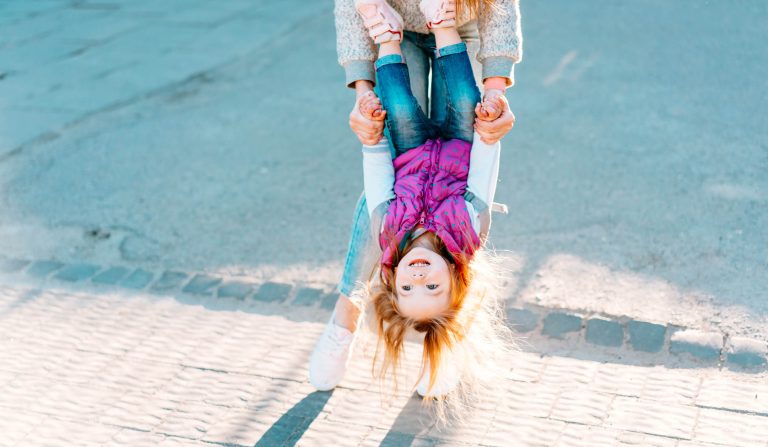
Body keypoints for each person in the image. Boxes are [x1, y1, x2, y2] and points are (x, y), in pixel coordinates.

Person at [309, 0, 516, 404]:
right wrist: (362, 86)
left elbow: (379, 185)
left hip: (466, 20)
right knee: (438, 109)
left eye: (408, 284)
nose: (418, 274)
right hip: (392, 17)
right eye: (430, 283)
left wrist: (497, 86)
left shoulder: (397, 236)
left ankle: (437, 341)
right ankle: (346, 317)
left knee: (384, 190)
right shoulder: (464, 232)